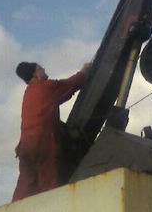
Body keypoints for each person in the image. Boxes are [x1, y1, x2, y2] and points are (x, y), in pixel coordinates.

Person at [12, 60, 92, 201]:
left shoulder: (29, 93)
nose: (44, 68)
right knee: (49, 185)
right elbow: (71, 84)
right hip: (42, 143)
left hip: (25, 148)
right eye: (40, 68)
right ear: (35, 73)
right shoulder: (46, 88)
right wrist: (85, 70)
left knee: (25, 187)